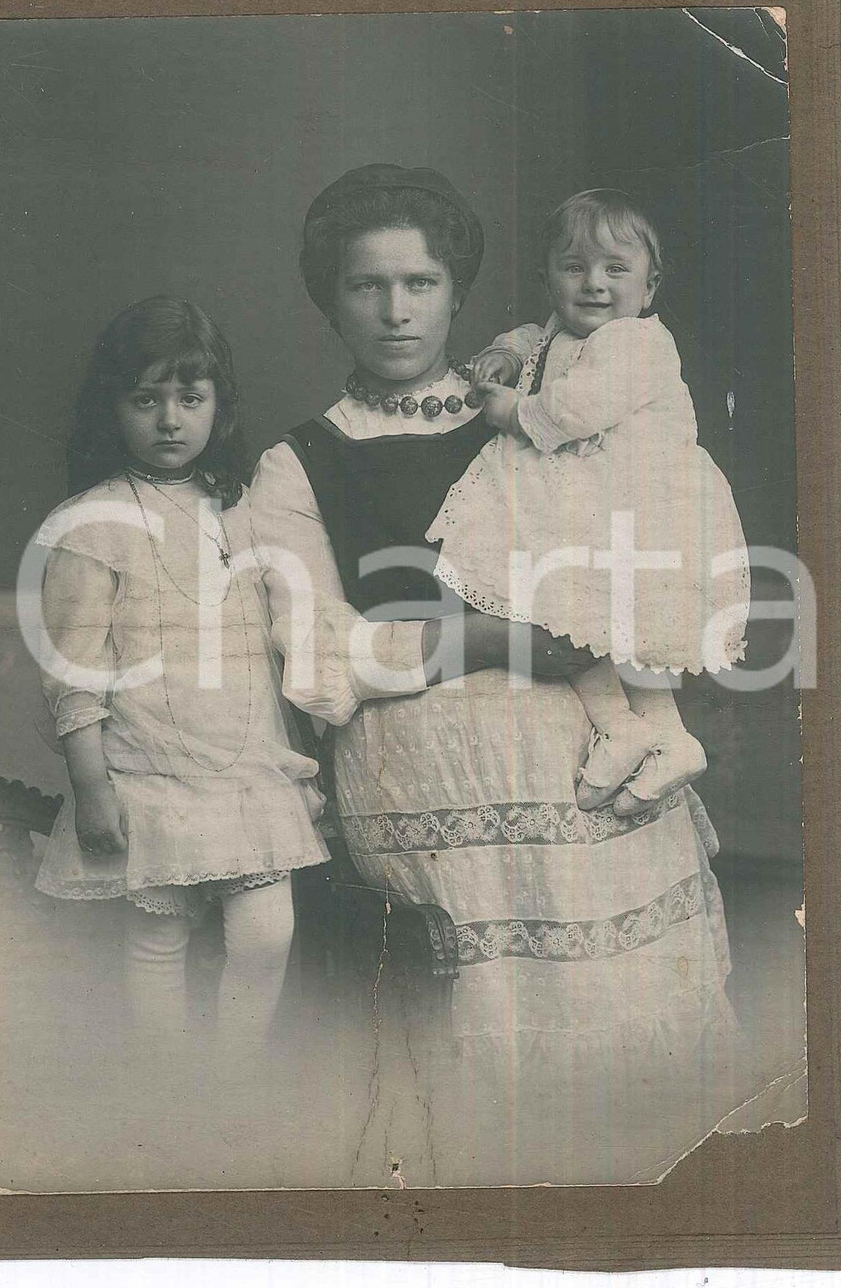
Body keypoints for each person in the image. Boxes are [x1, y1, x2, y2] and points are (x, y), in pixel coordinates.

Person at [250, 164, 747, 1185]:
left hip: (590, 768)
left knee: (629, 1100)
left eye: (421, 284)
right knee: (469, 1116)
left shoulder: (552, 410)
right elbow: (321, 659)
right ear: (329, 299)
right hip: (425, 788)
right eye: (366, 286)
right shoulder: (297, 464)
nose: (396, 311)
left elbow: (652, 537)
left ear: (458, 291)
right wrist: (488, 644)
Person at [33, 296, 328, 1053]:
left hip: (244, 764)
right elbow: (73, 665)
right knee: (157, 940)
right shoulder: (91, 521)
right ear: (114, 408)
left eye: (190, 399)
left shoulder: (243, 510)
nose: (170, 420)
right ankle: (169, 1087)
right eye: (146, 399)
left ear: (217, 407)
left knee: (266, 934)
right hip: (148, 770)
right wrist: (92, 784)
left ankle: (233, 1078)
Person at [429, 188, 751, 814]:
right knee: (566, 614)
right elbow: (535, 339)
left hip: (636, 505)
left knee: (622, 624)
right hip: (581, 503)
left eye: (615, 269)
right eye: (574, 268)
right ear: (549, 279)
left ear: (649, 287)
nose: (594, 284)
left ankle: (668, 732)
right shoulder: (559, 328)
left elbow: (577, 409)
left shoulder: (638, 344)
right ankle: (628, 728)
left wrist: (513, 411)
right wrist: (504, 351)